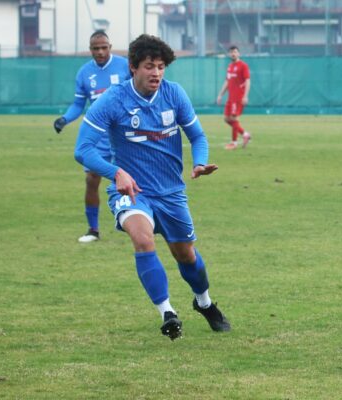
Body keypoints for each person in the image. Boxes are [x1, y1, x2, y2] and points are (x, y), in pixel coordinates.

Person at [74, 34, 231, 340]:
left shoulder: (174, 94)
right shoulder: (114, 99)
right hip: (133, 191)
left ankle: (204, 302)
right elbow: (84, 149)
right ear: (133, 67)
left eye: (161, 66)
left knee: (186, 255)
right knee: (143, 240)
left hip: (171, 192)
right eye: (149, 66)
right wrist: (116, 171)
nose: (156, 72)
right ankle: (167, 313)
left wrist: (199, 163)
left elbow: (197, 136)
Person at [54, 31, 131, 243]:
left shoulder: (124, 66)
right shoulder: (84, 73)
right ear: (90, 49)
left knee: (133, 179)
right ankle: (93, 230)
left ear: (110, 46)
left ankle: (140, 221)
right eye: (96, 48)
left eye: (104, 47)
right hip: (98, 136)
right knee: (91, 180)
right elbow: (79, 104)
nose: (100, 51)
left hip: (124, 134)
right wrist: (64, 119)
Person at [216, 45, 251, 150]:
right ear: (229, 54)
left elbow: (248, 81)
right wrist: (220, 94)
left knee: (234, 118)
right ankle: (245, 134)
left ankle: (234, 143)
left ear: (238, 53)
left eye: (235, 52)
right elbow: (227, 81)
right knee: (227, 119)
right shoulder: (230, 66)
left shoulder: (243, 66)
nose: (233, 54)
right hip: (231, 97)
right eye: (231, 52)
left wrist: (245, 96)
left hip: (238, 97)